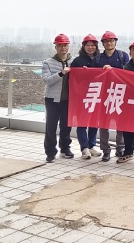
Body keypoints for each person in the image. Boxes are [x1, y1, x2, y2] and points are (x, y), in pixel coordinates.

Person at [93, 31, 130, 161]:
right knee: (104, 124)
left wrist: (112, 70)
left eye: (111, 41)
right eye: (107, 41)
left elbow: (128, 73)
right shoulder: (98, 58)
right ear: (103, 44)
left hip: (119, 93)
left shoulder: (123, 56)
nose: (109, 43)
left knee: (121, 123)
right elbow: (93, 76)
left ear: (115, 42)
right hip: (104, 94)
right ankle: (106, 150)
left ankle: (120, 148)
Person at [42, 34, 74, 162]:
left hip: (68, 100)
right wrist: (61, 73)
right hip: (52, 100)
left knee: (66, 126)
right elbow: (47, 80)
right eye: (60, 45)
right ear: (55, 47)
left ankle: (65, 149)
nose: (63, 48)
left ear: (68, 46)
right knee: (51, 127)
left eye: (65, 45)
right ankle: (50, 152)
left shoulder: (74, 62)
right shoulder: (48, 62)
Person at [70, 34, 102, 160]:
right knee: (82, 122)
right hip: (82, 96)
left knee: (94, 122)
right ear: (83, 47)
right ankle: (84, 148)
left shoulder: (100, 59)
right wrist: (81, 73)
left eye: (93, 45)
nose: (90, 47)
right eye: (87, 45)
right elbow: (72, 79)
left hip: (96, 95)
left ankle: (92, 145)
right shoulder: (77, 61)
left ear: (96, 47)